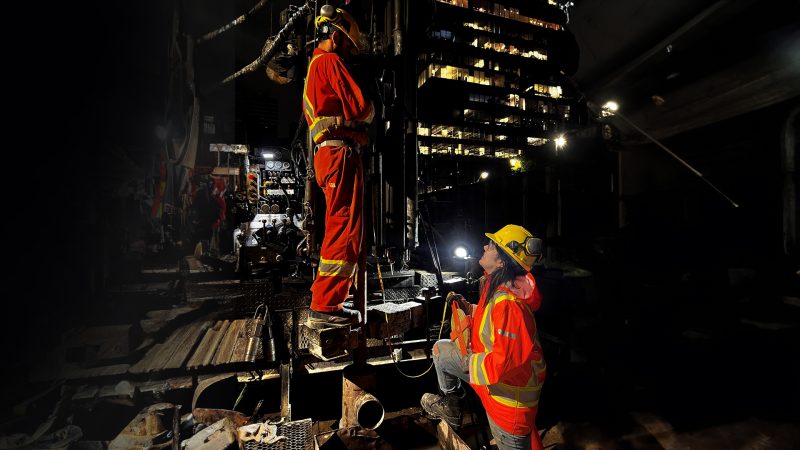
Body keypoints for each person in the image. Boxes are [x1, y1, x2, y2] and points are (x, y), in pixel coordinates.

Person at [421, 224, 547, 450]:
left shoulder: (509, 305)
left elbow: (506, 362)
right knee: (441, 351)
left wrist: (471, 361)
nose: (484, 247)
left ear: (502, 262)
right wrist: (470, 309)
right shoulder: (499, 286)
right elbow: (491, 320)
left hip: (508, 401)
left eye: (491, 245)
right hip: (494, 382)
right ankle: (452, 407)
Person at [302, 5, 374, 328]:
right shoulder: (329, 62)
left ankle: (328, 301)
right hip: (339, 156)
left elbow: (331, 119)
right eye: (346, 46)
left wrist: (354, 132)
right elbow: (361, 108)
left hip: (329, 155)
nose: (347, 55)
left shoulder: (313, 68)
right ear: (335, 37)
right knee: (344, 229)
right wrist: (370, 116)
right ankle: (325, 304)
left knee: (340, 227)